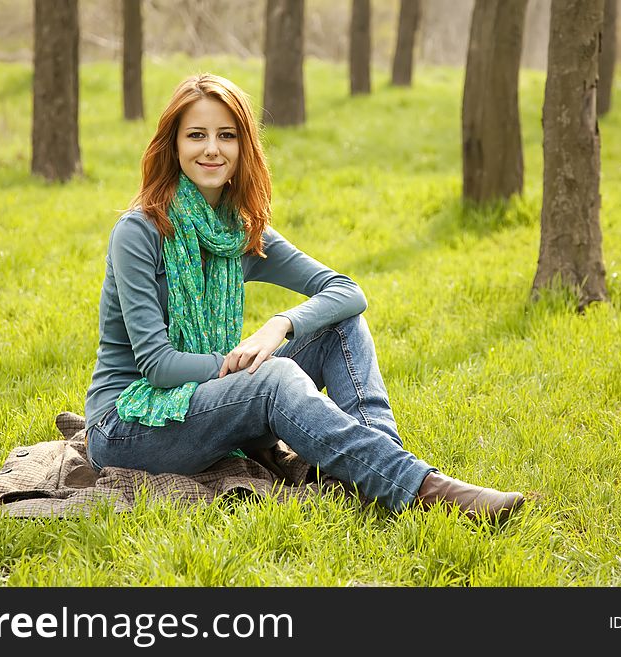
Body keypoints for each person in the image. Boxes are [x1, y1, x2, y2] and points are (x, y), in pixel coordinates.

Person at [83, 73, 525, 521]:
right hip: (129, 424)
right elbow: (157, 366)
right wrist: (243, 366)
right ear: (173, 146)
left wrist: (280, 325)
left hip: (207, 403)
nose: (212, 149)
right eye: (196, 135)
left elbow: (346, 292)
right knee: (272, 378)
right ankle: (423, 489)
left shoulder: (241, 231)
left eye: (226, 136)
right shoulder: (138, 232)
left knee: (337, 324)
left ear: (243, 148)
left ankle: (373, 471)